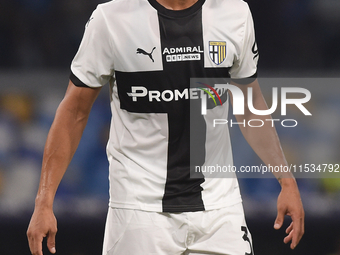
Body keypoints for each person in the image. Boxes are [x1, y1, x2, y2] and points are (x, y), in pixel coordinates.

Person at [27, 0, 305, 254]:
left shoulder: (235, 14)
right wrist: (44, 201)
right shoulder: (111, 19)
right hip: (139, 213)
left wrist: (286, 180)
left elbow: (249, 106)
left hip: (220, 211)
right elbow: (74, 111)